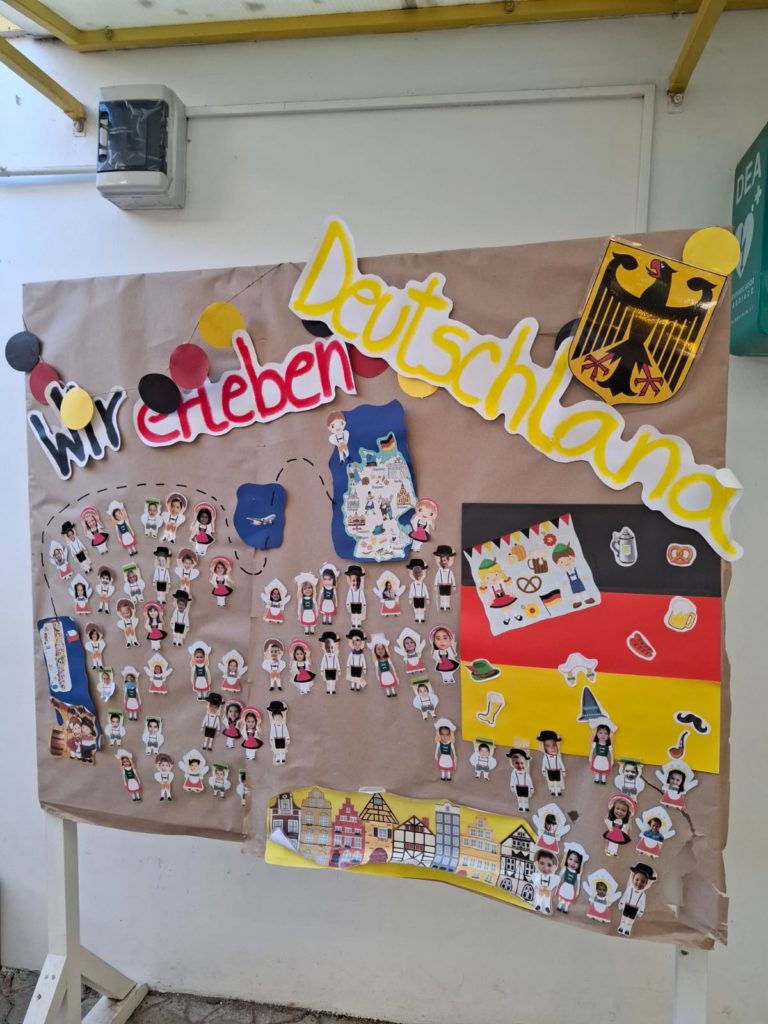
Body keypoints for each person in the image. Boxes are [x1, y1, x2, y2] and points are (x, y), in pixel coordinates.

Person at [551, 542, 596, 608]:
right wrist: (564, 584)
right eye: (561, 562)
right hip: (573, 584)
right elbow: (565, 579)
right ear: (558, 564)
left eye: (569, 559)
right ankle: (578, 602)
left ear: (573, 557)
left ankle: (587, 599)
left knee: (583, 591)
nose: (567, 562)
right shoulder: (566, 573)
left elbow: (581, 574)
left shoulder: (576, 569)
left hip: (578, 582)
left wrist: (584, 577)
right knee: (576, 593)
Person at [618, 863, 657, 936]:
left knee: (631, 920)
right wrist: (621, 903)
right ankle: (621, 927)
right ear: (633, 878)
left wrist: (641, 911)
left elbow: (643, 903)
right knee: (624, 917)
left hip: (635, 909)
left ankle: (627, 929)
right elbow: (625, 896)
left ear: (647, 884)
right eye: (637, 879)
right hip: (627, 905)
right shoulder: (629, 889)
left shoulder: (643, 895)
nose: (639, 883)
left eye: (643, 881)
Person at [556, 844, 589, 913]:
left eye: (576, 861)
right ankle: (559, 906)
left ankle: (565, 909)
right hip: (564, 886)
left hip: (571, 888)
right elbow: (559, 876)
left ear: (580, 864)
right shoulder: (565, 869)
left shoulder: (577, 874)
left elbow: (578, 883)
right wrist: (557, 885)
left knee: (568, 900)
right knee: (562, 897)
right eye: (570, 859)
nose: (572, 863)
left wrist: (577, 892)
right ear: (566, 858)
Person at [538, 729, 566, 797]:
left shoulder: (557, 757)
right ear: (544, 748)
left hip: (557, 771)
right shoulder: (545, 757)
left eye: (554, 745)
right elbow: (543, 765)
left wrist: (563, 771)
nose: (552, 748)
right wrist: (543, 771)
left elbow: (561, 764)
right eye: (548, 746)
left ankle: (558, 790)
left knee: (558, 781)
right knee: (551, 782)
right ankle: (553, 790)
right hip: (549, 771)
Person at [531, 849, 559, 915]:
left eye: (549, 865)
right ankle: (538, 905)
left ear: (554, 866)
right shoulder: (538, 875)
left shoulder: (552, 877)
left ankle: (547, 907)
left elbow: (556, 880)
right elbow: (534, 879)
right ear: (537, 863)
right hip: (540, 889)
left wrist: (549, 887)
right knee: (539, 897)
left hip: (548, 890)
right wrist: (539, 886)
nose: (545, 867)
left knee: (547, 899)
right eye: (542, 863)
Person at [506, 747, 534, 813]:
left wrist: (531, 788)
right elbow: (512, 780)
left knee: (525, 798)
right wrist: (512, 787)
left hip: (525, 787)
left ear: (525, 763)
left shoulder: (526, 773)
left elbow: (529, 780)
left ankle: (526, 807)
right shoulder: (513, 773)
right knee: (520, 798)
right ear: (512, 763)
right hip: (517, 787)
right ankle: (521, 807)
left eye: (522, 763)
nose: (520, 765)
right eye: (516, 763)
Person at [433, 545, 456, 613]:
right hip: (441, 585)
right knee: (442, 596)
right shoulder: (439, 571)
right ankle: (442, 606)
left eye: (445, 560)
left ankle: (447, 605)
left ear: (448, 560)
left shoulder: (450, 571)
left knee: (448, 596)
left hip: (448, 585)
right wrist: (435, 585)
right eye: (442, 560)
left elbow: (452, 578)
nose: (443, 562)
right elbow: (437, 577)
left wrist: (454, 585)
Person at [406, 558, 429, 623]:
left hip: (422, 598)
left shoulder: (423, 584)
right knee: (416, 609)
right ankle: (417, 618)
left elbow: (426, 591)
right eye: (416, 573)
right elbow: (411, 592)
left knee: (422, 609)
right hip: (415, 598)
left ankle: (422, 618)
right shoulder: (412, 584)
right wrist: (410, 598)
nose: (418, 575)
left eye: (419, 573)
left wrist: (427, 598)